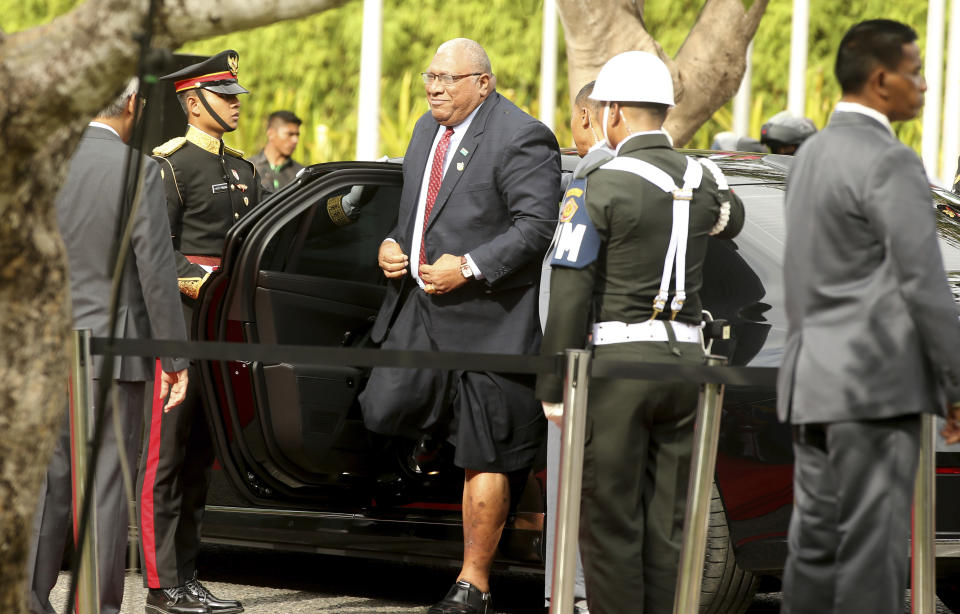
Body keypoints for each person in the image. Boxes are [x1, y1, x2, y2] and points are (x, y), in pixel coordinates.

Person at [535, 51, 745, 614]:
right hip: (688, 366)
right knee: (670, 522)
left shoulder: (598, 186)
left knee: (610, 521)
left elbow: (572, 287)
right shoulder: (703, 178)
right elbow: (734, 219)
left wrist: (553, 382)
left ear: (615, 113)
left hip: (620, 366)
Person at [357, 38, 561, 614]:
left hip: (489, 326)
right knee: (381, 408)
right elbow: (414, 216)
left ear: (483, 83)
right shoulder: (426, 130)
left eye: (449, 78)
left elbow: (536, 227)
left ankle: (474, 582)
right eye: (430, 76)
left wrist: (468, 267)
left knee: (485, 454)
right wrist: (395, 246)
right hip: (417, 314)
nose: (434, 87)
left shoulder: (522, 135)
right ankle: (436, 443)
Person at [777, 19, 960, 614]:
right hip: (876, 390)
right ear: (882, 80)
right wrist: (955, 386)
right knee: (872, 557)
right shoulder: (893, 162)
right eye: (916, 71)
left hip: (811, 385)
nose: (925, 86)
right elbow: (926, 286)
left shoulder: (807, 159)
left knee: (813, 549)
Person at [25, 79, 189, 614]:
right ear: (134, 106)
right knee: (105, 483)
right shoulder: (138, 170)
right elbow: (157, 273)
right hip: (113, 351)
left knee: (50, 481)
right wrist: (176, 356)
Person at [139, 50, 261, 614]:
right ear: (192, 101)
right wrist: (205, 285)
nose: (236, 105)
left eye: (237, 96)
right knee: (167, 458)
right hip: (183, 324)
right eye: (225, 96)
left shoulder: (243, 167)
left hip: (224, 329)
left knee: (199, 461)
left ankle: (188, 576)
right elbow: (156, 252)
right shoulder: (168, 166)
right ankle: (163, 584)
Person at [539, 80, 607, 614]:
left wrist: (550, 376)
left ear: (587, 117)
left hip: (586, 362)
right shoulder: (682, 177)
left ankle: (573, 595)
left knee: (573, 490)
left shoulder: (588, 180)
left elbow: (564, 290)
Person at [249, 110, 305, 192]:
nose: (295, 140)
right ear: (271, 134)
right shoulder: (249, 168)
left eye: (297, 135)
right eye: (290, 134)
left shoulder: (301, 174)